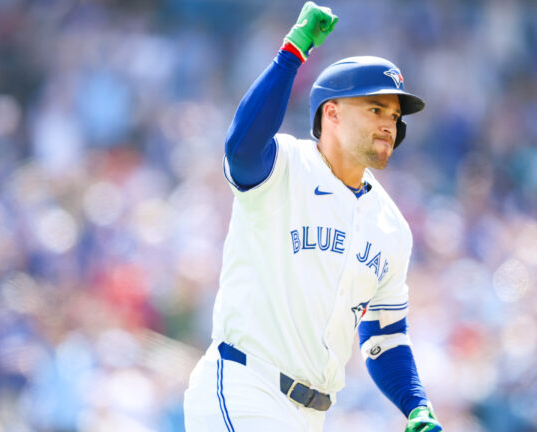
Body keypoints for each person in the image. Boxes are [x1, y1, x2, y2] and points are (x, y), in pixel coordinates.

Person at [183, 2, 443, 431]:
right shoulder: (285, 165)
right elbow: (241, 148)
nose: (388, 124)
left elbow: (384, 336)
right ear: (332, 112)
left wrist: (417, 405)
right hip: (246, 386)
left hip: (311, 415)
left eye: (394, 116)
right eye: (375, 109)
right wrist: (292, 52)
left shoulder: (391, 226)